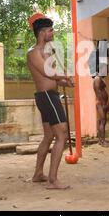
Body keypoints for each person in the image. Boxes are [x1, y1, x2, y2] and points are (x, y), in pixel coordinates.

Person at [26, 13, 74, 190]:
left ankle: (38, 174)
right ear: (42, 33)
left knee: (49, 136)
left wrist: (66, 82)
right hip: (46, 97)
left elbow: (52, 79)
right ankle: (53, 180)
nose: (52, 33)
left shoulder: (46, 53)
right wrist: (65, 75)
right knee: (62, 134)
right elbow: (47, 73)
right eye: (50, 30)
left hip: (49, 96)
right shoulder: (33, 53)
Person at [93, 63, 109, 147]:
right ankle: (102, 141)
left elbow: (103, 91)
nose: (107, 71)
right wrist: (103, 103)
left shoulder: (100, 78)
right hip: (100, 103)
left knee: (103, 121)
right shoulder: (97, 79)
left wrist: (107, 103)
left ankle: (101, 139)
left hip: (103, 103)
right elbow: (98, 92)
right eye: (106, 69)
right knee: (102, 121)